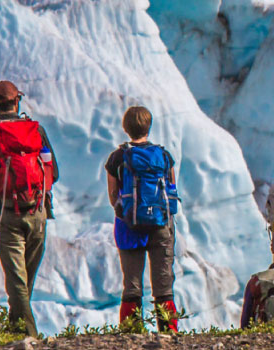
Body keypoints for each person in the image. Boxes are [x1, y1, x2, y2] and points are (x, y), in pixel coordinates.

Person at [0, 80, 59, 337]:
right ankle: (18, 334)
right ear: (18, 101)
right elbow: (54, 173)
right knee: (23, 282)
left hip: (6, 215)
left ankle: (28, 336)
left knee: (17, 282)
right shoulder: (37, 131)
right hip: (38, 213)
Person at [104, 106, 180, 332]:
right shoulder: (164, 156)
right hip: (161, 224)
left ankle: (131, 332)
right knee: (163, 282)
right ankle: (169, 333)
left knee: (132, 283)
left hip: (129, 226)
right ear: (149, 126)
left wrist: (128, 212)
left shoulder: (117, 157)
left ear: (125, 128)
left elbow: (112, 195)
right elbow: (171, 188)